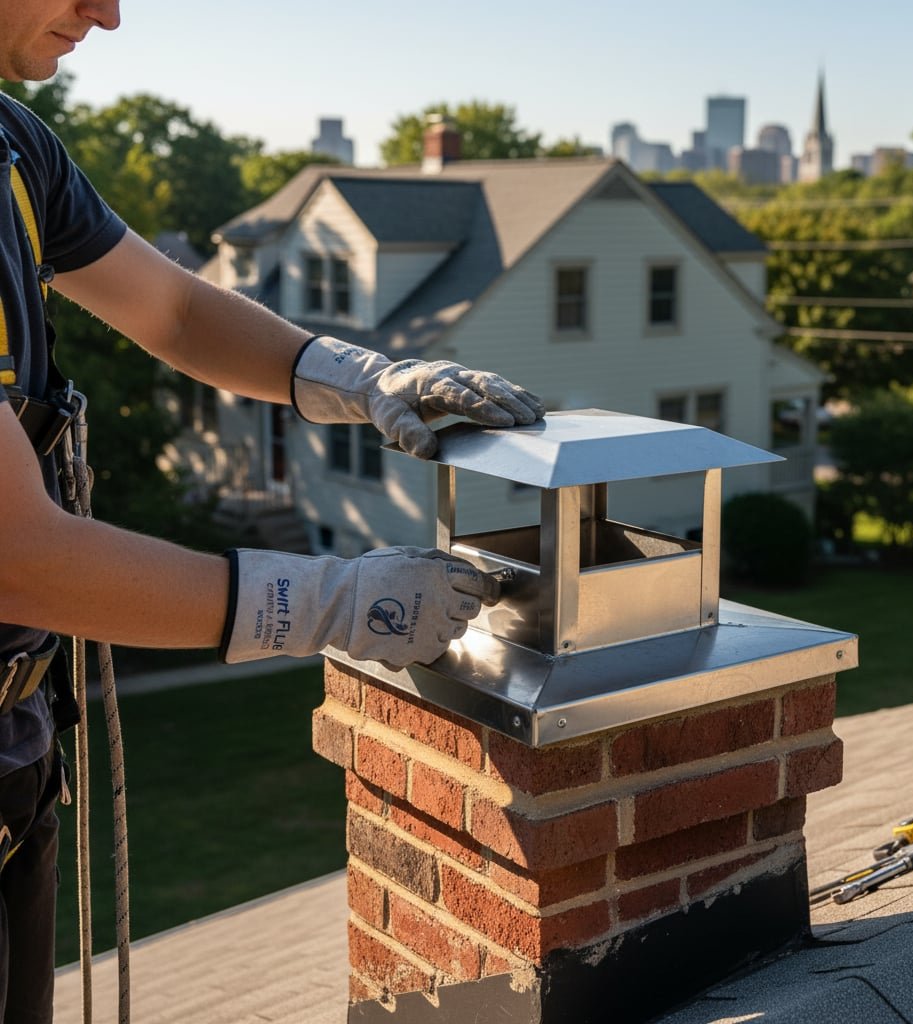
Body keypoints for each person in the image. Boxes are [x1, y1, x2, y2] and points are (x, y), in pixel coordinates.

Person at [0, 2, 545, 1019]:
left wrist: (360, 376)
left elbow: (170, 308)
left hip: (15, 754)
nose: (109, 15)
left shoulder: (13, 146)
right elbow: (15, 554)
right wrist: (332, 603)